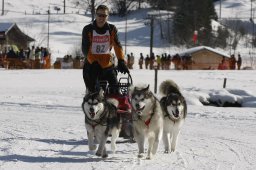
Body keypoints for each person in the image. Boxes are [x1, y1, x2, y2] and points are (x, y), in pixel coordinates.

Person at [82, 5, 129, 93]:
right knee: (94, 93)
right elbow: (85, 49)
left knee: (116, 91)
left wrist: (121, 60)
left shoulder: (112, 29)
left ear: (107, 17)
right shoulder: (88, 29)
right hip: (92, 66)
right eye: (99, 15)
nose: (101, 18)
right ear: (96, 15)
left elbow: (117, 45)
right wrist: (94, 62)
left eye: (104, 16)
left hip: (107, 65)